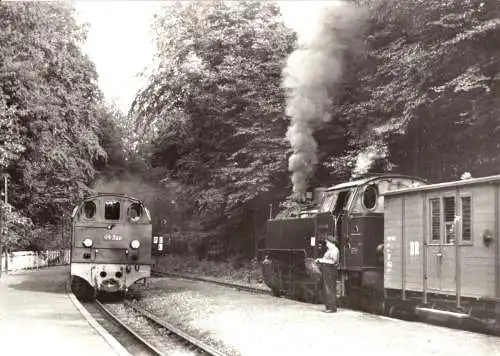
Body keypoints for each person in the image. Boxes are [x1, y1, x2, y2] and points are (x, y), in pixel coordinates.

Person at [315, 234, 340, 313]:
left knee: (330, 289)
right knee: (326, 289)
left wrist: (321, 260)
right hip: (327, 270)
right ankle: (328, 307)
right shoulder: (329, 250)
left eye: (327, 242)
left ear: (331, 243)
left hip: (330, 271)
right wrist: (320, 259)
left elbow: (333, 261)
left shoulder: (334, 250)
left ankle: (332, 308)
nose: (326, 244)